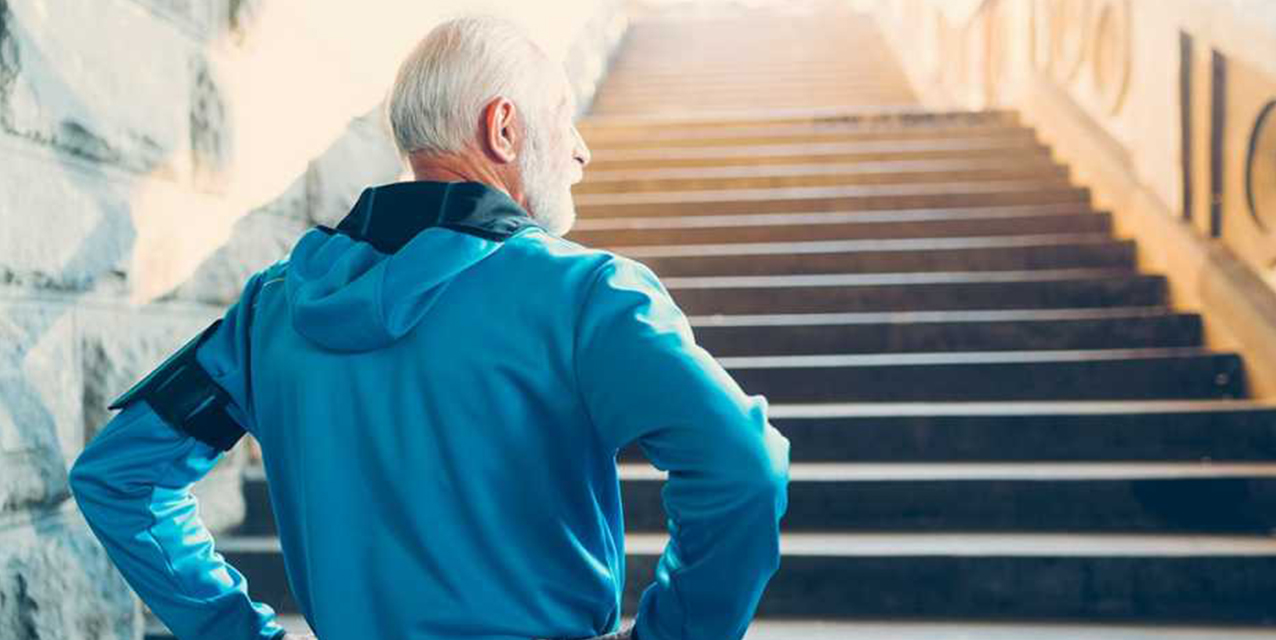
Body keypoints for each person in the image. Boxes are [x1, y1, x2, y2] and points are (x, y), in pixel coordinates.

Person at [68, 15, 790, 640]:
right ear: (503, 127)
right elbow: (742, 466)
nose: (581, 150)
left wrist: (231, 630)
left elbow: (117, 478)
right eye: (563, 116)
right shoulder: (588, 294)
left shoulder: (270, 310)